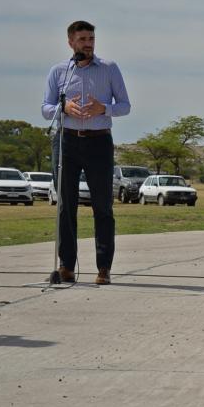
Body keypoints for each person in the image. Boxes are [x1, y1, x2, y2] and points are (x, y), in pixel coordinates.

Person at [41, 20, 131, 285]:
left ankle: (103, 268)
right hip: (66, 141)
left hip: (99, 142)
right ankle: (66, 266)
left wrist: (103, 108)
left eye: (91, 39)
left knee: (102, 207)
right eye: (82, 39)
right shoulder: (59, 72)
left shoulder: (109, 69)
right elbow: (45, 108)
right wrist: (64, 108)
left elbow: (125, 105)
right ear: (70, 42)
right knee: (65, 207)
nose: (88, 44)